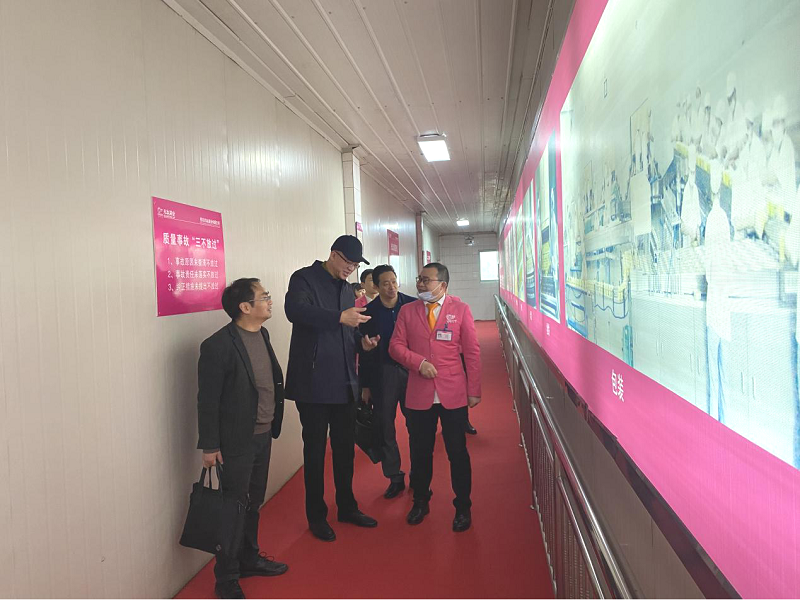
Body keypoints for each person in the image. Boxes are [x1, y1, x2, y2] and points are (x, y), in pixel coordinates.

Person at [197, 278, 288, 599]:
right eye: (264, 297)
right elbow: (207, 400)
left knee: (253, 502)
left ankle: (249, 558)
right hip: (236, 441)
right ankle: (226, 578)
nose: (270, 300)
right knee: (233, 508)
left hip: (263, 434)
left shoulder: (262, 334)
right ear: (245, 307)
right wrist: (210, 445)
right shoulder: (217, 345)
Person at [284, 235, 379, 542]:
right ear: (333, 255)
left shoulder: (347, 289)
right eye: (348, 262)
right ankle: (316, 516)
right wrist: (339, 317)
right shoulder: (304, 279)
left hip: (344, 381)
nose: (351, 269)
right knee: (314, 453)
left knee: (345, 451)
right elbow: (295, 311)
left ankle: (347, 507)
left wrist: (362, 344)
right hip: (313, 383)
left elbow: (346, 332)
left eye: (355, 265)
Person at [389, 263, 481, 532]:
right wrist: (418, 363)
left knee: (457, 452)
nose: (420, 283)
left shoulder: (460, 309)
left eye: (426, 280)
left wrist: (474, 390)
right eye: (419, 278)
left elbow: (472, 351)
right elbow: (395, 346)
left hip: (453, 392)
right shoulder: (407, 311)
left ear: (443, 285)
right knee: (420, 452)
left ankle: (462, 506)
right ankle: (420, 500)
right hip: (419, 393)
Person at [358, 264, 417, 498]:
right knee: (385, 426)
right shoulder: (368, 313)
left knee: (416, 425)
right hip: (383, 374)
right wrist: (365, 385)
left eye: (394, 281)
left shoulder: (412, 305)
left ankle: (419, 474)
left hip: (411, 371)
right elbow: (364, 352)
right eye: (385, 283)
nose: (391, 287)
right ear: (376, 286)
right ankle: (394, 476)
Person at [704, 161, 733, 424]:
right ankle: (725, 422)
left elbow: (707, 271)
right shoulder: (724, 220)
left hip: (714, 306)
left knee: (713, 370)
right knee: (725, 373)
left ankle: (714, 422)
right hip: (724, 304)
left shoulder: (711, 221)